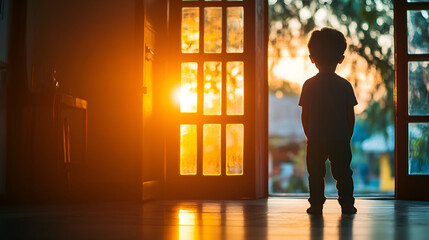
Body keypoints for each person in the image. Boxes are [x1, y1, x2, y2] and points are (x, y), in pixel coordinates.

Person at [298, 27, 358, 215]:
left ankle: (316, 205)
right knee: (343, 173)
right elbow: (350, 115)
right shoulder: (345, 85)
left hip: (315, 138)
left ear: (311, 58)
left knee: (315, 174)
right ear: (341, 58)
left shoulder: (308, 85)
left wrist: (310, 133)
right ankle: (347, 204)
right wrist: (347, 135)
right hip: (340, 138)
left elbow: (305, 115)